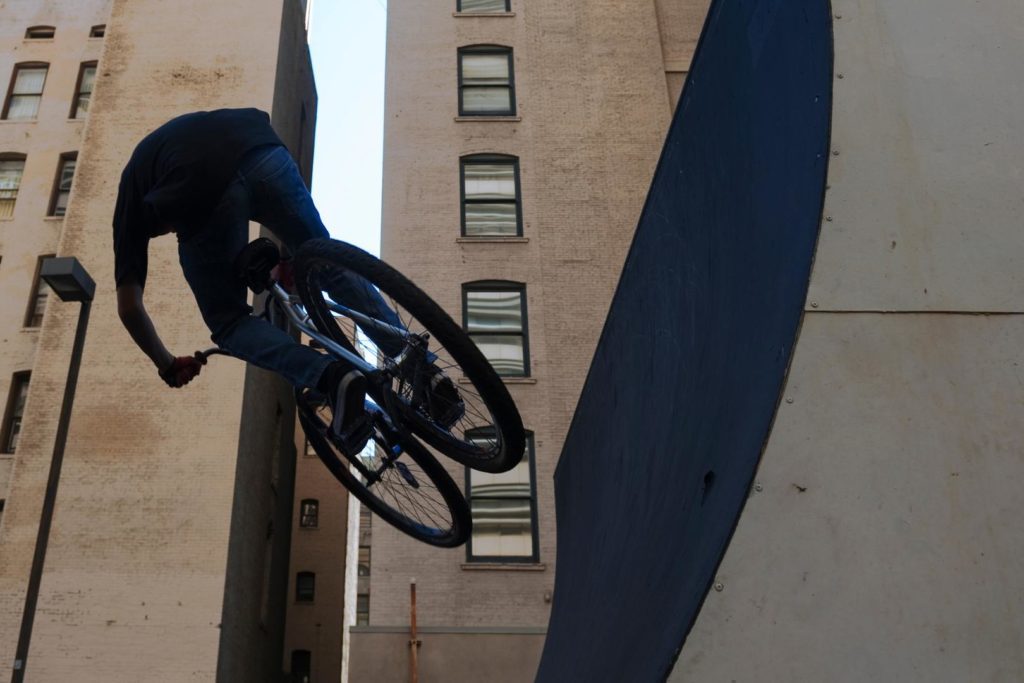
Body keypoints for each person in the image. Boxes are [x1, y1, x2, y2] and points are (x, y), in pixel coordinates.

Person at [113, 108, 399, 453]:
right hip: (261, 148)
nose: (170, 229)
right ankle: (421, 370)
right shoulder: (156, 152)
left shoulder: (128, 207)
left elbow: (129, 308)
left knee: (229, 323)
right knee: (325, 261)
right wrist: (289, 259)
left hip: (198, 182)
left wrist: (167, 365)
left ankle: (330, 377)